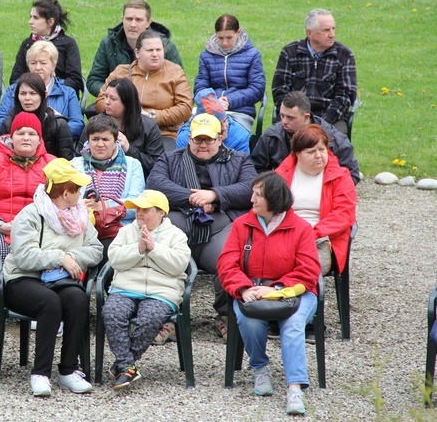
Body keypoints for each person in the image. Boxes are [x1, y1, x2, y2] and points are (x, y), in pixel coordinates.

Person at [216, 171, 321, 416]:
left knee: (294, 325)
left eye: (258, 195)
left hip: (294, 292)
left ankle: (295, 386)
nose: (251, 199)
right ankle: (260, 368)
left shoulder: (302, 228)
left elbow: (308, 271)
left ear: (273, 200)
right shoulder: (242, 224)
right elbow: (226, 263)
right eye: (253, 193)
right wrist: (243, 288)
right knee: (248, 320)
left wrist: (275, 289)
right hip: (251, 290)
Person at [147, 113, 255, 342]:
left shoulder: (241, 160)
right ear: (189, 139)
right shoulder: (169, 159)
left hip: (220, 228)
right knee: (159, 255)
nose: (203, 144)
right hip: (178, 227)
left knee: (233, 257)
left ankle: (226, 315)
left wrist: (216, 195)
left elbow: (250, 189)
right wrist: (195, 198)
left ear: (220, 138)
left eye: (208, 139)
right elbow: (155, 185)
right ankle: (166, 317)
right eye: (198, 139)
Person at [4, 158, 103, 396]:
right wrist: (60, 258)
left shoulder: (80, 215)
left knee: (77, 299)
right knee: (50, 303)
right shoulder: (30, 214)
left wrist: (70, 256)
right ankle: (40, 374)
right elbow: (25, 257)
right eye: (78, 189)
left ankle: (69, 369)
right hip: (22, 278)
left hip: (59, 279)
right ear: (66, 192)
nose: (82, 193)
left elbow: (97, 249)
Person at [102, 190, 191, 390]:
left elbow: (179, 265)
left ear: (161, 213)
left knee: (150, 319)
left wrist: (154, 248)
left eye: (145, 209)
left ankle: (123, 365)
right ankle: (128, 366)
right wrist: (138, 249)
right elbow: (114, 259)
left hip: (162, 291)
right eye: (138, 209)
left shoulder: (176, 235)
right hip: (125, 288)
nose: (139, 213)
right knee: (112, 312)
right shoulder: (126, 232)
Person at [0, 112, 55, 307]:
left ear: (39, 139)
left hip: (39, 230)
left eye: (32, 133)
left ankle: (37, 305)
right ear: (11, 137)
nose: (26, 137)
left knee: (48, 255)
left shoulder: (51, 163)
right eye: (20, 133)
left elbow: (60, 202)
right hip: (2, 227)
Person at [275, 125, 357, 277]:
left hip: (322, 239)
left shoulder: (341, 177)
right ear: (297, 154)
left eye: (322, 149)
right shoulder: (280, 175)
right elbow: (270, 209)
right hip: (284, 235)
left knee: (302, 267)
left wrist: (312, 234)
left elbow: (343, 215)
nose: (319, 155)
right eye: (311, 152)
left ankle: (296, 298)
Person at [95, 31, 193, 150]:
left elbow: (185, 108)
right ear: (137, 53)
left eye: (159, 50)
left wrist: (152, 116)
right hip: (123, 130)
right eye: (150, 50)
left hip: (163, 133)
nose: (155, 54)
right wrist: (127, 114)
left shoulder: (175, 73)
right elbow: (100, 101)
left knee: (161, 159)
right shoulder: (121, 72)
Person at [71, 115, 145, 264]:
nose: (100, 144)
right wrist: (82, 205)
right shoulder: (74, 164)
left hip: (119, 230)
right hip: (81, 228)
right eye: (95, 139)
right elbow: (64, 200)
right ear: (88, 141)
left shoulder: (133, 165)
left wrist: (105, 206)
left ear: (115, 141)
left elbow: (136, 204)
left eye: (105, 139)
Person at [272, 9, 357, 134]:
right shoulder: (289, 53)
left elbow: (345, 96)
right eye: (326, 30)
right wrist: (296, 118)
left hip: (331, 119)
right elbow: (280, 90)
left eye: (333, 29)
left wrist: (321, 123)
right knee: (274, 139)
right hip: (294, 116)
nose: (332, 34)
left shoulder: (344, 55)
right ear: (309, 33)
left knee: (337, 143)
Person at [251, 91, 360, 185]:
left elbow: (352, 175)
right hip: (282, 196)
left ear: (306, 117)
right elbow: (255, 169)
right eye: (282, 115)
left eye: (290, 118)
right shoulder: (272, 136)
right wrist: (273, 190)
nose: (283, 121)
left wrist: (328, 190)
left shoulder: (333, 140)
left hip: (321, 196)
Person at [87, 0, 183, 97]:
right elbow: (94, 80)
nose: (133, 25)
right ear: (122, 19)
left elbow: (180, 85)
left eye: (138, 20)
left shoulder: (165, 46)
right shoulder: (108, 44)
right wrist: (114, 95)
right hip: (116, 105)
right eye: (129, 19)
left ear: (148, 23)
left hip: (155, 105)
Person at [0, 41, 84, 143]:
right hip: (19, 144)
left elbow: (77, 124)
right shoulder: (14, 90)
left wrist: (45, 133)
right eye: (33, 63)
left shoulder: (68, 93)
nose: (37, 68)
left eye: (43, 63)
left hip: (54, 146)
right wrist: (24, 133)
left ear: (53, 66)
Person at [76, 78, 164, 178]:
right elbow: (79, 155)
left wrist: (129, 149)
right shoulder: (93, 124)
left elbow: (157, 166)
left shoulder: (149, 127)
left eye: (113, 99)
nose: (107, 102)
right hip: (95, 177)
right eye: (106, 96)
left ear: (127, 103)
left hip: (135, 179)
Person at [193, 14, 265, 132]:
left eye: (229, 38)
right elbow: (200, 86)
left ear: (239, 32)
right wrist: (215, 103)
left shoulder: (253, 55)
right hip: (210, 111)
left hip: (240, 111)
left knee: (231, 136)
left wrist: (229, 101)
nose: (225, 42)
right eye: (220, 38)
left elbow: (257, 89)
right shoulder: (206, 56)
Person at [9, 0, 83, 94]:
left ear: (50, 22)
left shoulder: (68, 44)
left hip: (61, 97)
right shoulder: (27, 44)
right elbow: (15, 79)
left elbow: (75, 80)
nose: (30, 21)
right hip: (30, 98)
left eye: (36, 18)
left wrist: (51, 89)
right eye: (30, 17)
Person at [0, 73, 74, 159]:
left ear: (44, 95)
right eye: (23, 93)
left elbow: (67, 160)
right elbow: (2, 157)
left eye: (33, 93)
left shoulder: (58, 123)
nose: (27, 98)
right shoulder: (9, 122)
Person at [176, 88, 251, 153]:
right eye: (219, 124)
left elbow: (242, 166)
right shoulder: (185, 138)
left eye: (225, 121)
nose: (224, 127)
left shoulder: (239, 136)